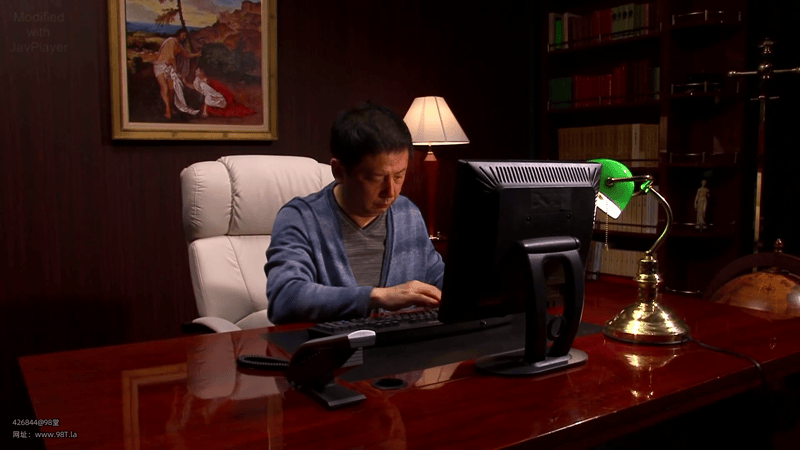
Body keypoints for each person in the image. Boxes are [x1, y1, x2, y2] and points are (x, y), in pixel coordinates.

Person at [266, 103, 444, 324]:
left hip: (404, 343)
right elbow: (285, 299)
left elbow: (438, 279)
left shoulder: (407, 213)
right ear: (339, 171)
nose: (391, 192)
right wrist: (376, 296)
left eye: (399, 176)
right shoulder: (301, 218)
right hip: (336, 344)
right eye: (376, 178)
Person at [153, 28, 201, 119]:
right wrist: (175, 67)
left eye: (186, 36)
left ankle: (171, 108)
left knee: (172, 89)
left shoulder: (178, 45)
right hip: (160, 65)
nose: (184, 37)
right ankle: (167, 110)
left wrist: (196, 54)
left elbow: (186, 54)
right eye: (183, 34)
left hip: (169, 67)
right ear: (179, 33)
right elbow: (171, 56)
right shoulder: (172, 40)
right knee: (165, 88)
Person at [191, 68, 256, 118]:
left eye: (198, 70)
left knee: (214, 109)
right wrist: (186, 82)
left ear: (202, 72)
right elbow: (194, 86)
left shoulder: (205, 83)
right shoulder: (198, 80)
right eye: (196, 70)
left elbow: (208, 95)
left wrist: (205, 111)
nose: (196, 71)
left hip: (216, 97)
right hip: (210, 97)